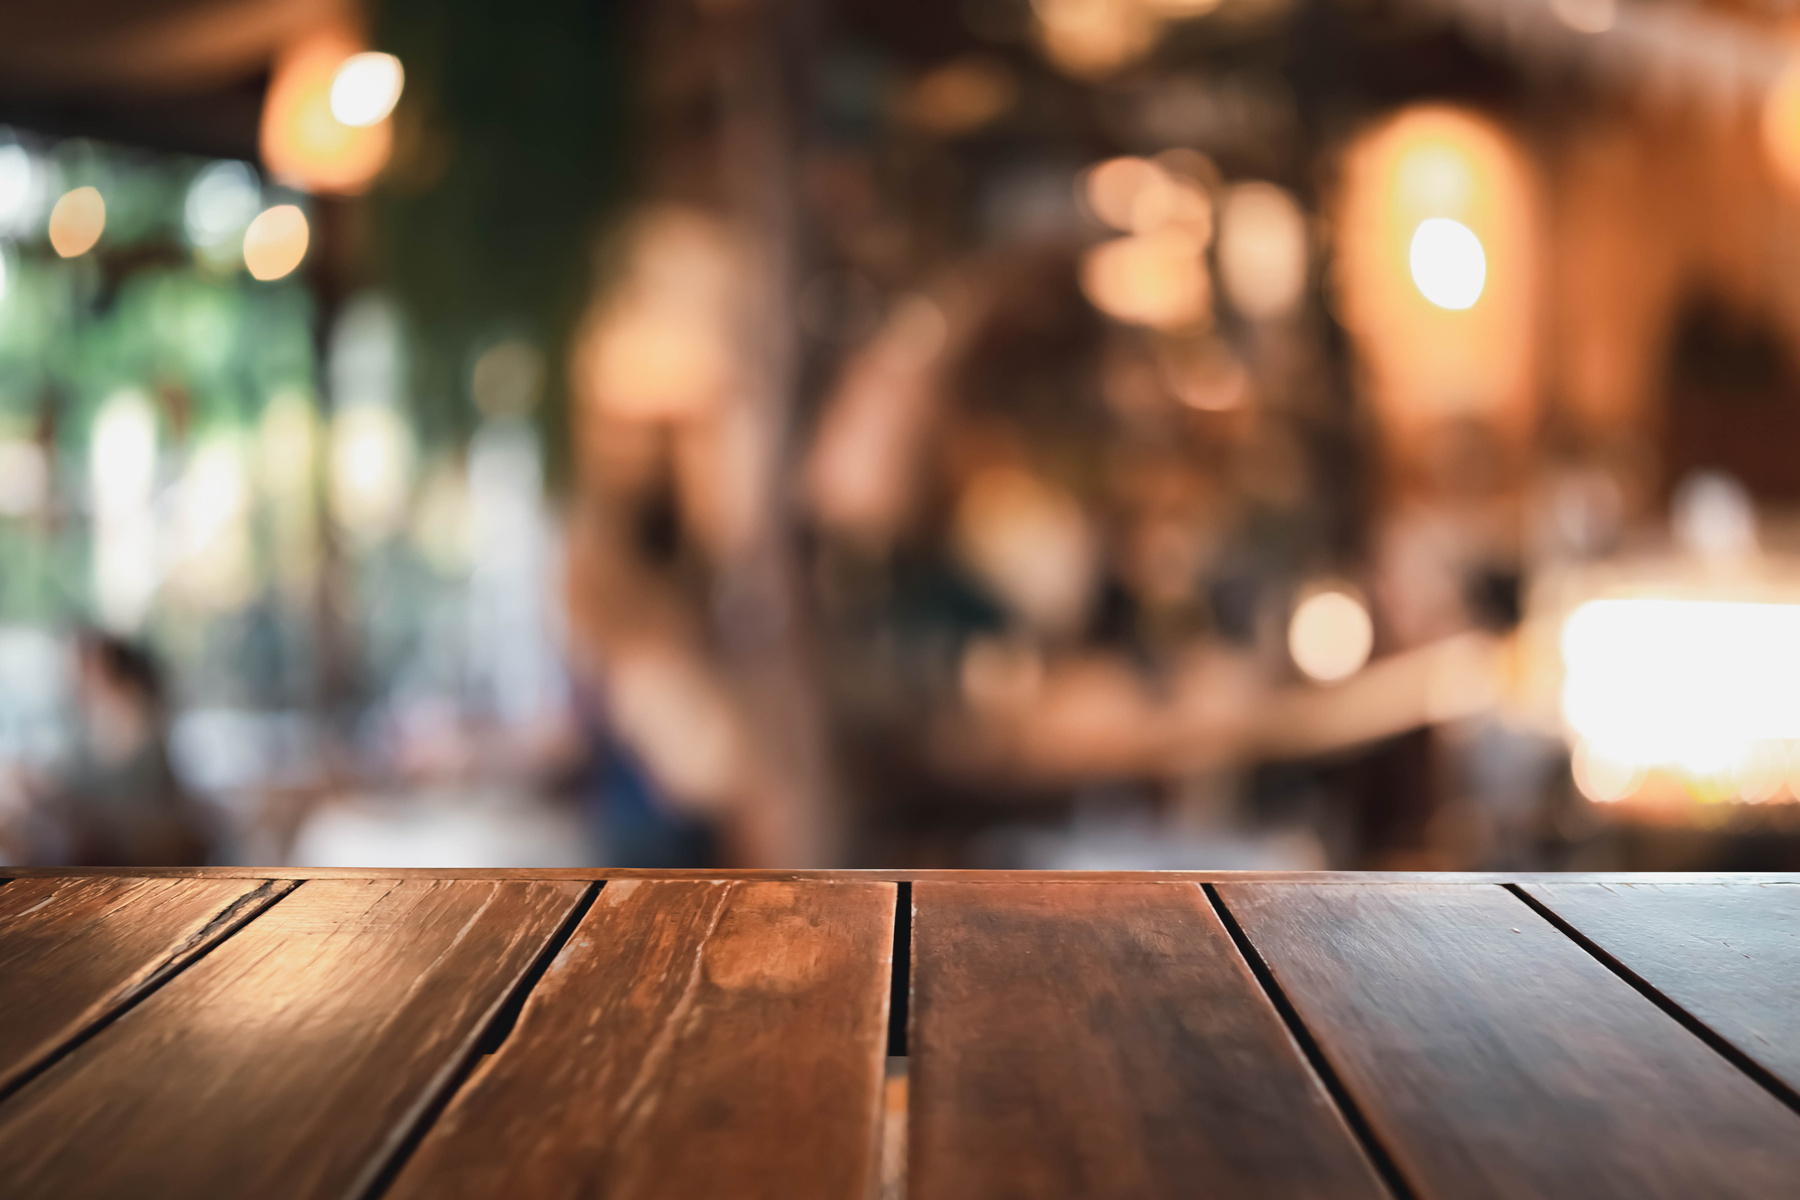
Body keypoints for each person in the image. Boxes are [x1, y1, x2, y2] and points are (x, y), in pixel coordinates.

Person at [45, 631, 212, 866]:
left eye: (87, 666)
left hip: (141, 851)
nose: (75, 677)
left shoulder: (132, 715)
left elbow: (127, 800)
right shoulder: (93, 720)